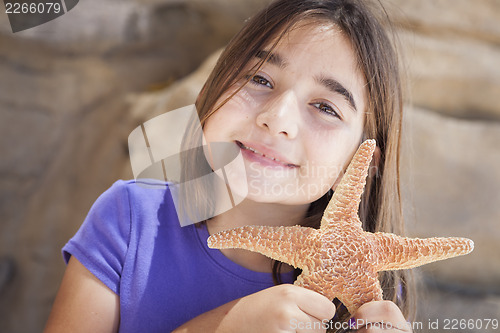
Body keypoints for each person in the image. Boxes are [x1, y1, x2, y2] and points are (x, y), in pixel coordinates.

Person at [44, 0, 415, 332]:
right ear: (208, 93)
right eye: (260, 79)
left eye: (325, 107)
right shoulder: (130, 220)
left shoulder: (365, 294)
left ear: (361, 165)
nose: (277, 118)